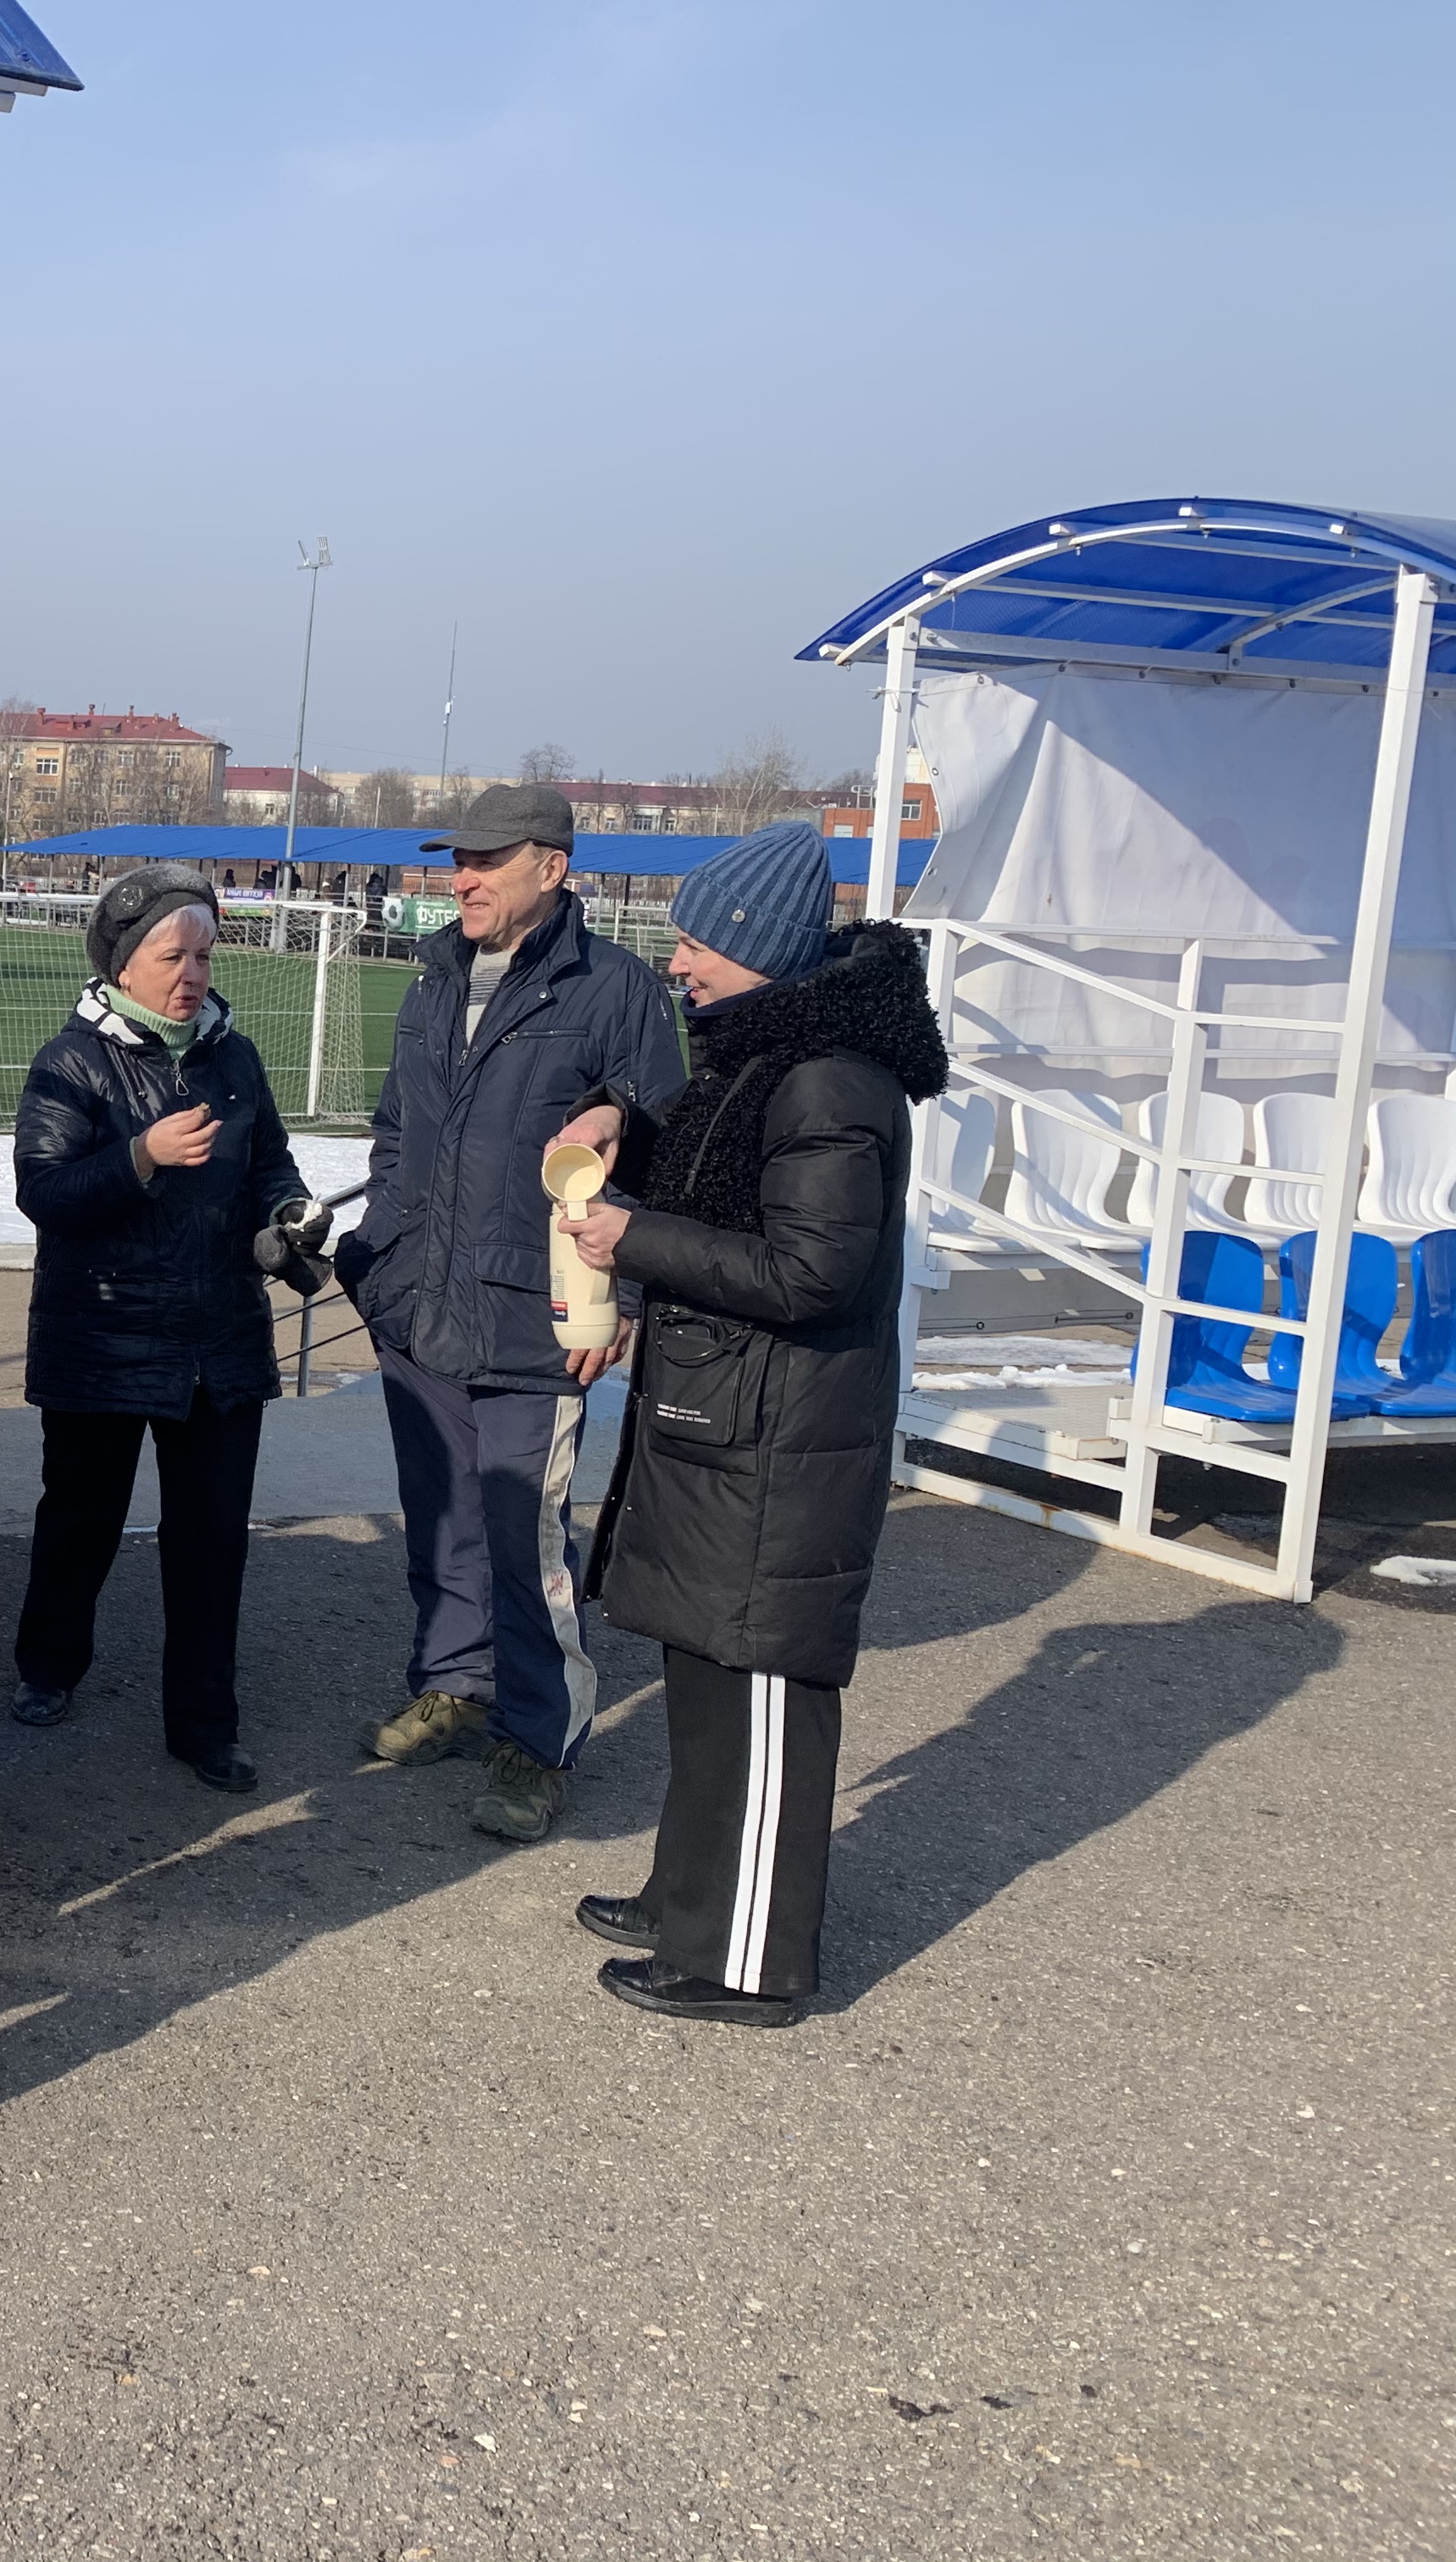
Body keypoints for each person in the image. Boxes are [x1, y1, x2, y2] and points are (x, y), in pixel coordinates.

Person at [550, 825, 947, 2023]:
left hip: (783, 1437)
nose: (676, 963)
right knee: (708, 1675)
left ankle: (746, 1960)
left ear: (761, 949)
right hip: (730, 1419)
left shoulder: (830, 1080)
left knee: (762, 1688)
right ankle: (691, 1900)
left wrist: (636, 1240)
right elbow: (726, 1177)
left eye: (696, 943)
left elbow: (812, 1272)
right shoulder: (766, 1054)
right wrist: (629, 1130)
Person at [335, 782, 684, 1844]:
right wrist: (381, 1253)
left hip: (533, 1318)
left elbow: (661, 1155)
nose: (464, 880)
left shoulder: (616, 989)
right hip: (420, 1303)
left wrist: (617, 1298)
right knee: (441, 1516)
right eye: (459, 860)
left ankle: (538, 1741)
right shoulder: (434, 977)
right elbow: (397, 1131)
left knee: (526, 1541)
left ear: (553, 867)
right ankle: (454, 1685)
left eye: (488, 861)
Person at [7, 863, 319, 1794]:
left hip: (219, 1343)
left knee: (212, 1543)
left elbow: (271, 1167)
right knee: (81, 1521)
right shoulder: (71, 1062)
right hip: (101, 1340)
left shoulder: (236, 1059)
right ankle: (48, 1666)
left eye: (203, 956)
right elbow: (44, 1193)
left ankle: (204, 1725)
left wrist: (288, 1216)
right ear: (122, 964)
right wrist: (141, 1155)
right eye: (171, 956)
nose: (191, 974)